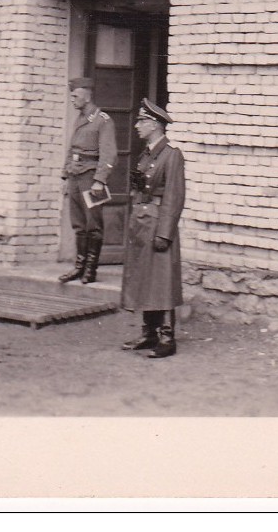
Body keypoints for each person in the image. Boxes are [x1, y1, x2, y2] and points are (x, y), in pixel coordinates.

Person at [121, 98, 186, 359]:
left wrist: (165, 233)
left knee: (161, 281)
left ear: (155, 125)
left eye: (142, 121)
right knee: (145, 278)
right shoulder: (146, 154)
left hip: (158, 224)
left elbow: (174, 196)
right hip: (142, 223)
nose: (137, 126)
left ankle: (167, 338)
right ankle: (149, 333)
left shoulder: (171, 155)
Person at [58, 77, 117, 285]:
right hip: (75, 176)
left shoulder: (102, 120)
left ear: (87, 95)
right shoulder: (80, 118)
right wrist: (65, 175)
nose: (72, 99)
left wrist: (100, 180)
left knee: (93, 225)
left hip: (91, 178)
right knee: (78, 224)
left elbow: (109, 154)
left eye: (75, 95)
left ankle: (90, 269)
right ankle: (79, 266)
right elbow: (72, 148)